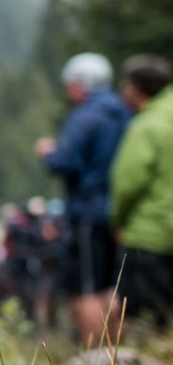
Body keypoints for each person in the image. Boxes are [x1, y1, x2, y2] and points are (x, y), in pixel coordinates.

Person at [35, 53, 129, 347]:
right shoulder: (124, 115)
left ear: (80, 85)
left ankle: (95, 362)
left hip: (87, 209)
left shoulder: (85, 117)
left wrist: (49, 153)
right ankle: (119, 358)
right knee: (110, 285)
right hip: (117, 211)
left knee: (87, 286)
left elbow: (66, 162)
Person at [110, 55, 173, 328]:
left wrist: (117, 220)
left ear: (135, 88)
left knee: (145, 319)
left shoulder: (146, 126)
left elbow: (127, 184)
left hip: (149, 235)